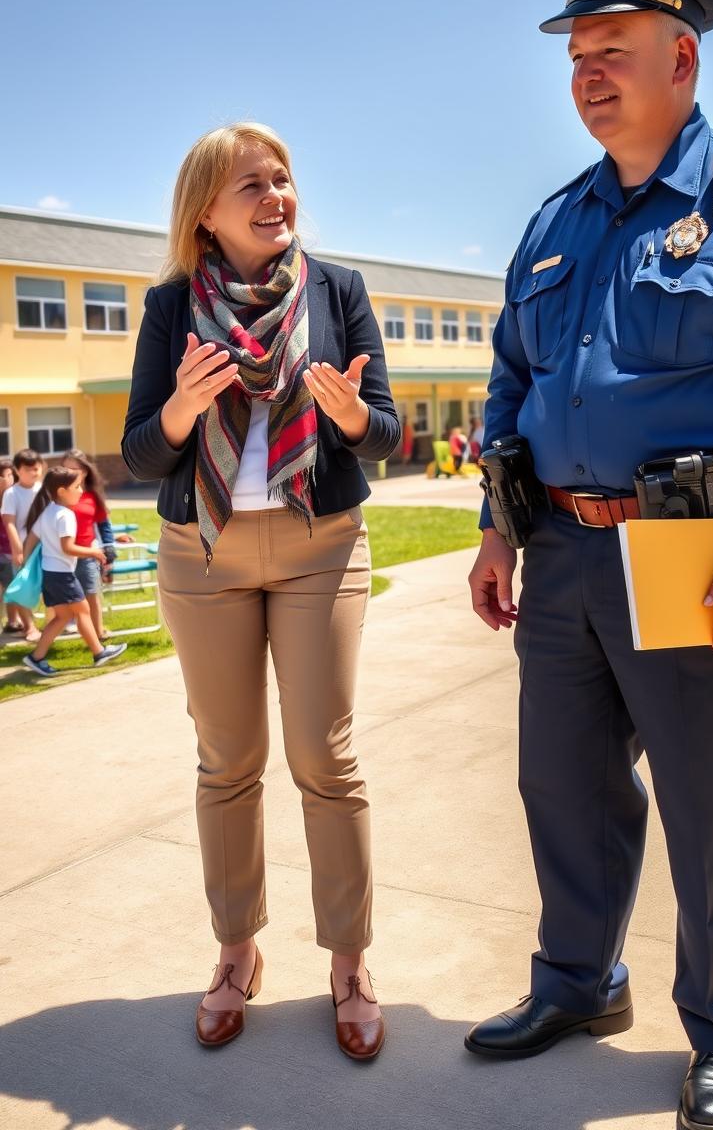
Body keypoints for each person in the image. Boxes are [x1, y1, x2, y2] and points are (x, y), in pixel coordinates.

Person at [465, 0, 713, 1130]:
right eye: (576, 53)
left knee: (710, 800)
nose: (588, 72)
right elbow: (511, 379)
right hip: (561, 550)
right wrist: (495, 526)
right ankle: (578, 982)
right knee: (560, 785)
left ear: (682, 56)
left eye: (612, 49)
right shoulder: (555, 220)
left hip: (695, 550)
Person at [122, 121, 399, 1057]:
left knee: (326, 756)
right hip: (203, 551)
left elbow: (386, 431)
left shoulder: (338, 290)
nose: (277, 195)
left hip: (321, 544)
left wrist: (357, 415)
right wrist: (182, 407)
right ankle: (237, 951)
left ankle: (350, 960)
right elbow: (138, 449)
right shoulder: (169, 307)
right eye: (253, 184)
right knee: (227, 760)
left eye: (282, 179)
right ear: (206, 211)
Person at [20, 467, 128, 677]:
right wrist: (95, 552)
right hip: (62, 575)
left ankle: (36, 657)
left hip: (51, 573)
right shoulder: (66, 515)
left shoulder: (48, 511)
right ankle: (99, 652)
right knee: (82, 610)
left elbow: (32, 537)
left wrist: (25, 561)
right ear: (61, 491)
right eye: (76, 486)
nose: (80, 491)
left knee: (62, 617)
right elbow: (67, 547)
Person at [60, 449, 133, 641]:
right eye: (65, 469)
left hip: (88, 553)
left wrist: (109, 549)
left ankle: (98, 633)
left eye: (74, 469)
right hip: (61, 554)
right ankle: (64, 627)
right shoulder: (57, 495)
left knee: (91, 594)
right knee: (65, 597)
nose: (69, 474)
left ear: (85, 471)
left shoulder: (93, 496)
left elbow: (103, 526)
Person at [1, 449, 43, 643]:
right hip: (23, 549)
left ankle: (54, 621)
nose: (34, 472)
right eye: (29, 469)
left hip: (44, 547)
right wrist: (18, 549)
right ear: (17, 470)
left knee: (47, 584)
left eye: (37, 468)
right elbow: (9, 522)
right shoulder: (12, 493)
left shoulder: (43, 489)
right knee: (23, 587)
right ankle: (29, 626)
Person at [0, 459, 16, 633]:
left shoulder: (15, 494)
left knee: (11, 587)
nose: (7, 479)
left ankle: (13, 621)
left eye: (11, 474)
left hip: (11, 550)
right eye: (4, 475)